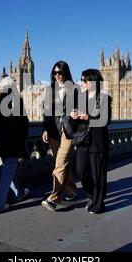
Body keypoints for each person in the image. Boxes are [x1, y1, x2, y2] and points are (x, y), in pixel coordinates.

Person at [72, 69, 111, 214]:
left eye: (84, 80)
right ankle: (91, 194)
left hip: (97, 141)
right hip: (83, 140)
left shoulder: (104, 98)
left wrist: (87, 117)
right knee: (81, 172)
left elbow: (105, 120)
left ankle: (98, 204)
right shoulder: (80, 98)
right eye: (82, 80)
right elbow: (74, 119)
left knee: (98, 175)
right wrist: (73, 116)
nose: (82, 82)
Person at [41, 60, 78, 211]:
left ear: (66, 72)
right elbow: (47, 112)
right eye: (55, 73)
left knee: (60, 162)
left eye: (60, 72)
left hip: (68, 129)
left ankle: (54, 198)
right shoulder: (50, 89)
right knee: (62, 162)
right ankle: (72, 191)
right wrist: (45, 129)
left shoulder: (75, 89)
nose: (57, 75)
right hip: (54, 130)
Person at [0, 77, 30, 212]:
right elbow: (24, 122)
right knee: (8, 170)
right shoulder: (16, 100)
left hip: (1, 140)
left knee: (9, 166)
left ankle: (19, 193)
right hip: (14, 141)